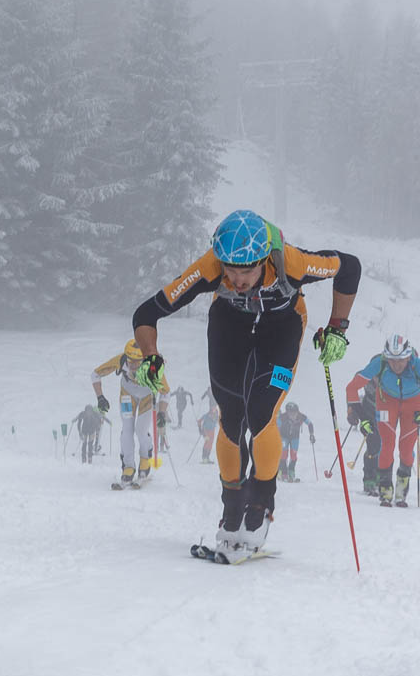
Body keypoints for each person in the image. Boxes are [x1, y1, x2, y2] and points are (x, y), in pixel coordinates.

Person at [129, 209, 358, 560]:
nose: (237, 279)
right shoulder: (211, 266)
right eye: (230, 270)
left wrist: (338, 328)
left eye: (246, 271)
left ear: (264, 259)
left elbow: (349, 266)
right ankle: (232, 510)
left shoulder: (290, 262)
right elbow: (147, 313)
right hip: (230, 329)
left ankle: (260, 508)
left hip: (282, 330)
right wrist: (150, 356)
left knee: (261, 413)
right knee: (231, 417)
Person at [345, 335, 420, 506]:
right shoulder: (380, 363)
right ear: (387, 357)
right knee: (386, 445)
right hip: (387, 402)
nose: (397, 365)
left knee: (406, 449)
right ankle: (385, 489)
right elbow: (352, 388)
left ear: (408, 356)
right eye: (392, 360)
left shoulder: (417, 365)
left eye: (401, 359)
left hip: (413, 403)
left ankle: (401, 492)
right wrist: (358, 414)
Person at [90, 339, 168, 489]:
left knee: (140, 430)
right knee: (127, 430)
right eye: (130, 361)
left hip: (147, 395)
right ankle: (128, 468)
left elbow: (166, 393)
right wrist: (100, 397)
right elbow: (95, 374)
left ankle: (145, 460)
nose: (132, 365)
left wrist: (162, 413)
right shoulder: (121, 359)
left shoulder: (153, 366)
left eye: (137, 362)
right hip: (127, 394)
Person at [275, 401, 308, 482]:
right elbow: (276, 426)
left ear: (297, 412)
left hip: (295, 438)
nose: (293, 415)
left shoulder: (301, 416)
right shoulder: (282, 417)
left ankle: (291, 472)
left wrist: (311, 435)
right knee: (283, 455)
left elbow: (310, 424)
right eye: (290, 413)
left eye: (294, 413)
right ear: (287, 412)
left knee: (293, 456)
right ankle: (283, 473)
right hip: (284, 437)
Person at [196, 393, 220, 463]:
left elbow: (219, 421)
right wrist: (200, 430)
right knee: (207, 443)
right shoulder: (207, 415)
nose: (214, 409)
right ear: (211, 409)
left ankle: (207, 458)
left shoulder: (216, 416)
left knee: (210, 444)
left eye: (215, 408)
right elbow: (199, 421)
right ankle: (204, 458)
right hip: (206, 430)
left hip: (212, 431)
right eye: (213, 408)